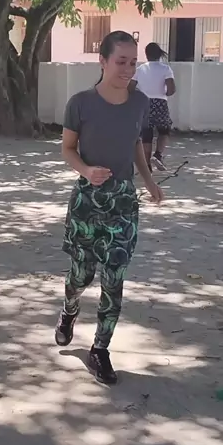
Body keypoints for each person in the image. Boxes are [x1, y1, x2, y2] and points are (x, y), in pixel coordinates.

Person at [55, 30, 163, 385]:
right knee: (81, 276)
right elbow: (67, 149)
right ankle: (69, 311)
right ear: (102, 61)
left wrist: (148, 181)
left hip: (123, 203)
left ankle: (100, 350)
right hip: (88, 201)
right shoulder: (80, 104)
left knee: (114, 278)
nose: (128, 69)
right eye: (121, 61)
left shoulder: (140, 102)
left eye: (133, 62)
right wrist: (86, 170)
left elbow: (135, 145)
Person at [132, 42, 176, 172]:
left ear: (146, 54)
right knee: (164, 130)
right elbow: (171, 89)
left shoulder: (140, 69)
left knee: (146, 134)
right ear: (159, 54)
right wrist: (164, 93)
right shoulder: (165, 69)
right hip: (160, 103)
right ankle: (158, 155)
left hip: (144, 103)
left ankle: (147, 165)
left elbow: (130, 88)